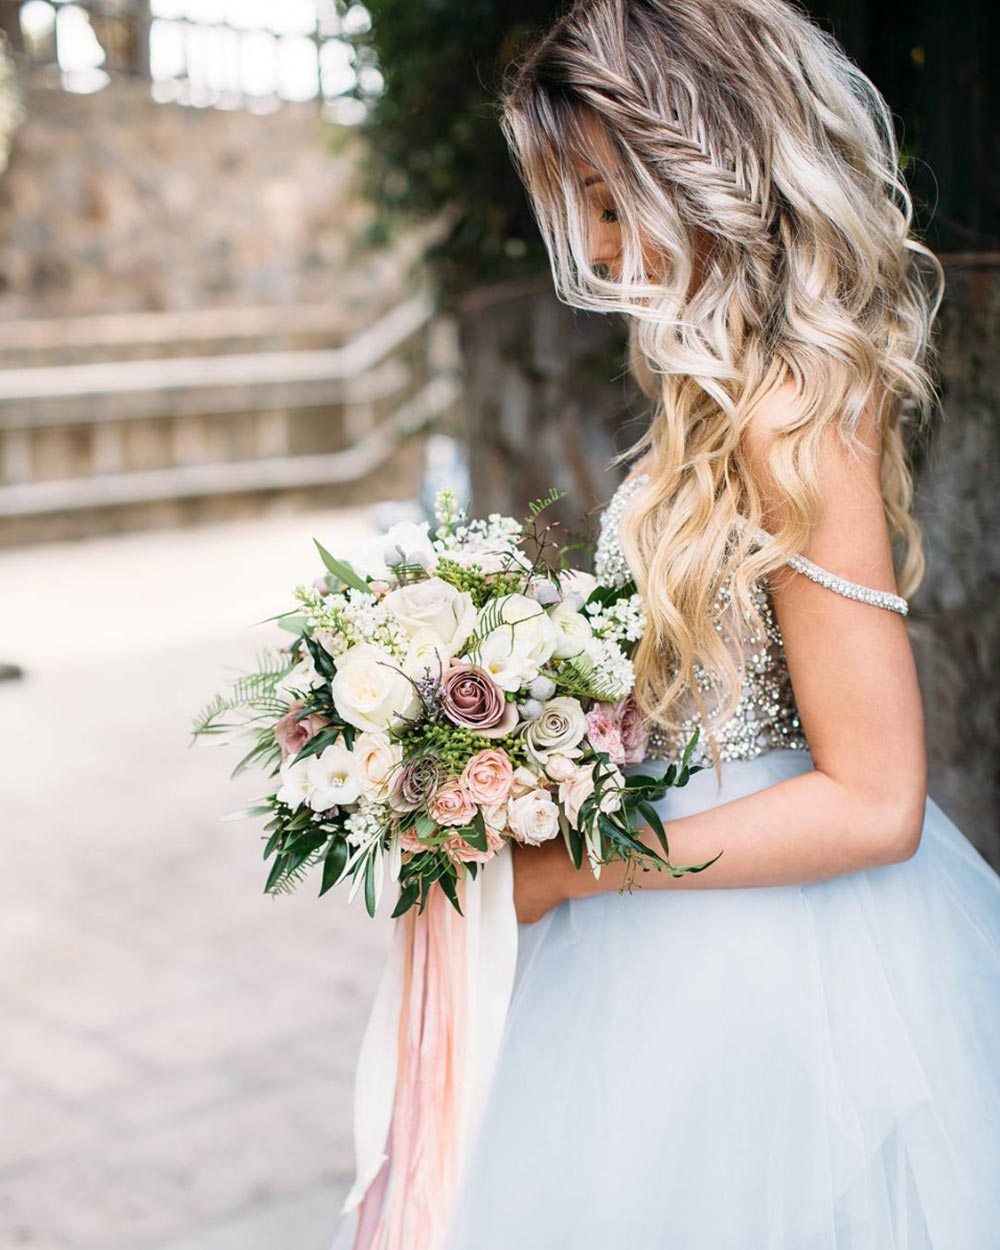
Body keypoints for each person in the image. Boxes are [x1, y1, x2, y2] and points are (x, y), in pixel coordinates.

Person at [332, 2, 1000, 1247]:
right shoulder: (717, 388)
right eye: (574, 198)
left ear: (707, 158)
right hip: (670, 895)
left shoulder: (792, 412)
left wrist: (575, 866)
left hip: (764, 965)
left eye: (605, 189)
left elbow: (874, 798)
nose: (590, 238)